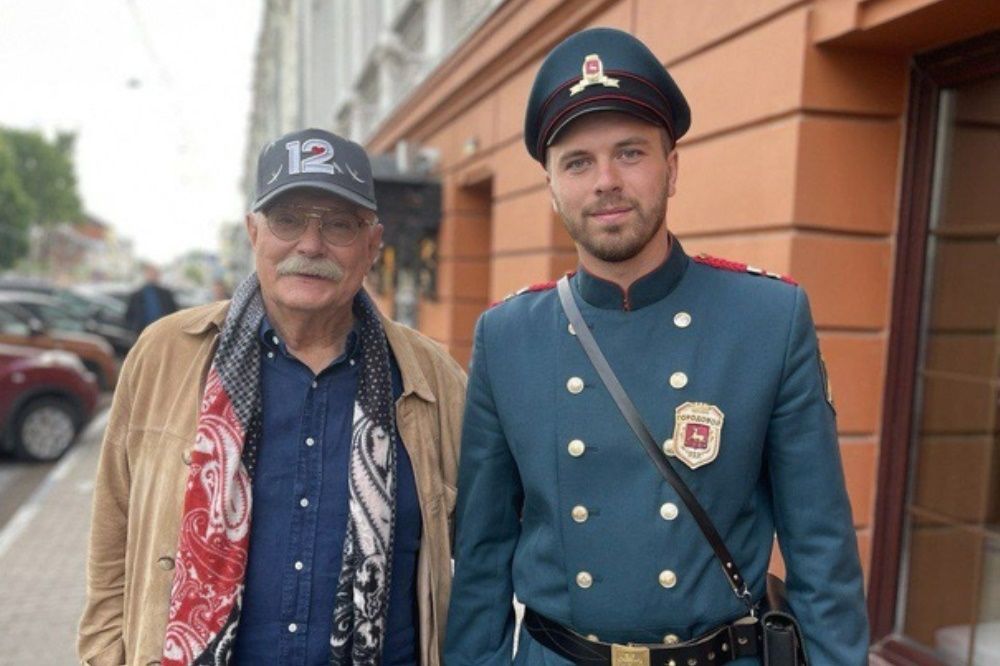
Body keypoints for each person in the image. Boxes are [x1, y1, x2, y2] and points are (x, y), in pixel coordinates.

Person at [444, 27, 868, 666]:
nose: (606, 181)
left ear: (671, 169)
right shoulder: (507, 337)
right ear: (553, 186)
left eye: (631, 153)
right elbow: (480, 554)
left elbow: (821, 550)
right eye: (578, 162)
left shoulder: (768, 320)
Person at [78, 128, 467, 666]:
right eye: (288, 220)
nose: (310, 244)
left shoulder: (434, 379)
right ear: (253, 232)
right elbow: (111, 542)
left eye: (338, 224)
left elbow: (478, 555)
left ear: (372, 244)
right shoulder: (165, 353)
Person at [125, 263, 178, 333]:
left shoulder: (166, 294)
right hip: (142, 333)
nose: (152, 275)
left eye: (155, 273)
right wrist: (134, 328)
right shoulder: (136, 295)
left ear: (158, 275)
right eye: (150, 273)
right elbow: (128, 316)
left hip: (164, 332)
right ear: (145, 275)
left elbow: (174, 312)